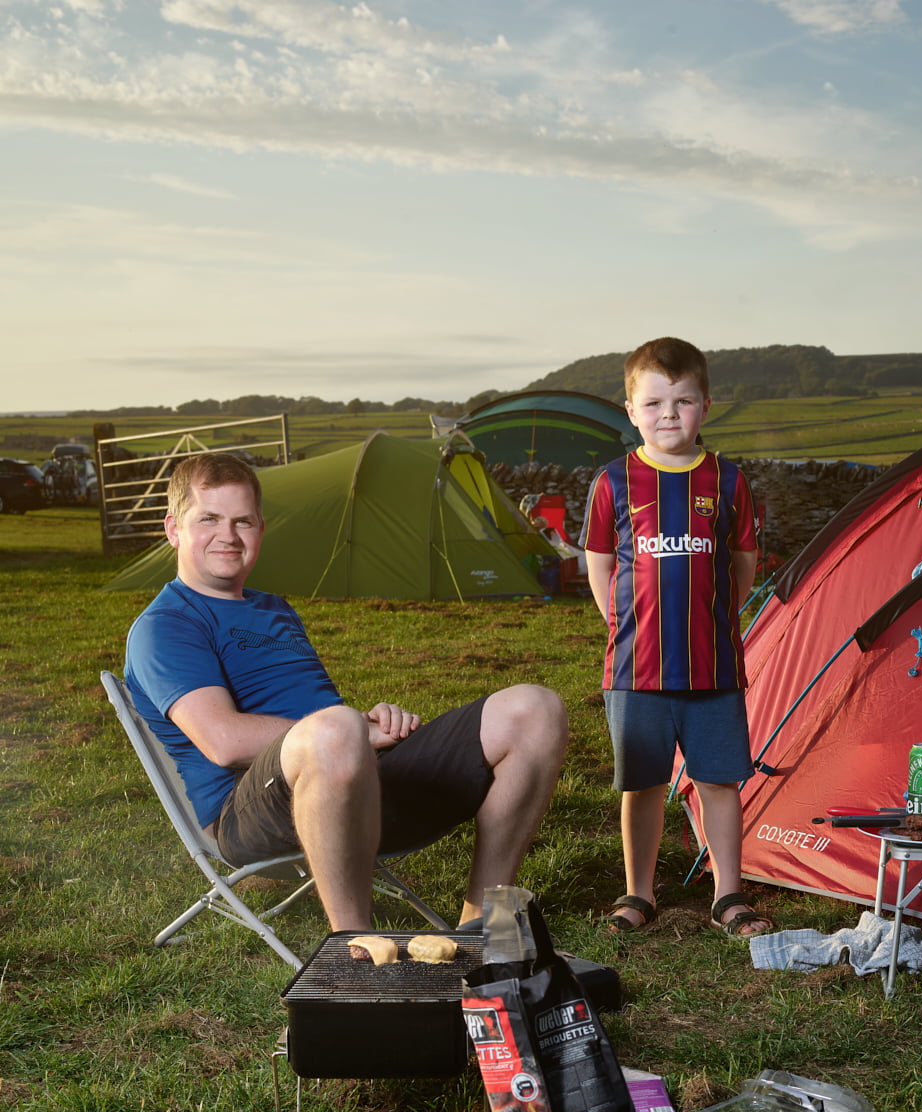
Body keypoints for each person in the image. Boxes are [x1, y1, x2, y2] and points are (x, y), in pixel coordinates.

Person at [124, 452, 566, 934]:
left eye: (242, 521)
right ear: (173, 529)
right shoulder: (167, 624)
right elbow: (223, 740)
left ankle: (485, 923)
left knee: (534, 708)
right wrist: (350, 730)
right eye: (208, 519)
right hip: (248, 813)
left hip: (348, 770)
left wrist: (369, 725)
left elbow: (318, 713)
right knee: (336, 729)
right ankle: (351, 943)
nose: (228, 536)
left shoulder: (274, 608)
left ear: (260, 530)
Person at [582, 337, 773, 938]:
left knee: (718, 781)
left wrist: (713, 618)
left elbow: (742, 566)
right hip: (636, 671)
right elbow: (599, 566)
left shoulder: (727, 480)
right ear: (631, 410)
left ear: (706, 406)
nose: (670, 414)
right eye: (656, 402)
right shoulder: (613, 482)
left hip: (712, 668)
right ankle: (638, 894)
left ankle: (728, 894)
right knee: (642, 783)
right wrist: (624, 628)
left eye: (683, 401)